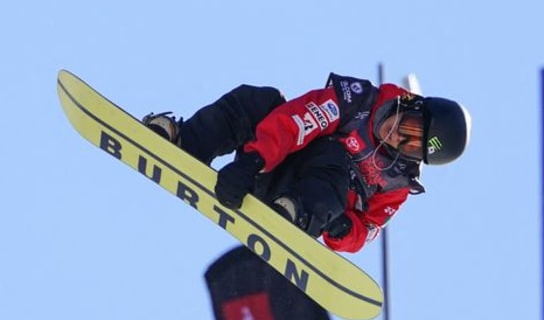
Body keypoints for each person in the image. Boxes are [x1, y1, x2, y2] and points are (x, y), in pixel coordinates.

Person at [142, 73, 471, 253]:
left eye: (412, 146)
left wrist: (344, 232)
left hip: (308, 202)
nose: (399, 137)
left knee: (340, 168)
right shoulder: (359, 101)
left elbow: (367, 229)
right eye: (411, 128)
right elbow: (298, 119)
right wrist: (254, 160)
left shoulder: (395, 184)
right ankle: (187, 141)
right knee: (261, 102)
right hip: (269, 164)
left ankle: (293, 213)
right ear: (411, 105)